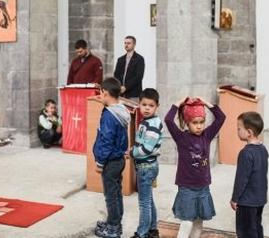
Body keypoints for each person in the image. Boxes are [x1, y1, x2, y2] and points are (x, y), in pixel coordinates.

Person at [164, 96, 226, 238]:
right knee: (187, 222)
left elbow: (221, 118)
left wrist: (206, 103)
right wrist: (177, 104)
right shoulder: (181, 138)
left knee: (199, 223)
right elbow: (168, 120)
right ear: (187, 122)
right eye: (194, 123)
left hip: (203, 188)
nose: (199, 126)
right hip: (187, 188)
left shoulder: (207, 135)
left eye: (201, 122)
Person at [92, 78, 131, 238]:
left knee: (110, 196)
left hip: (109, 161)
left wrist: (100, 162)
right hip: (119, 159)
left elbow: (106, 141)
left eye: (101, 92)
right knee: (116, 193)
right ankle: (114, 221)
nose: (99, 95)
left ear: (106, 93)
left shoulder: (109, 116)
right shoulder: (120, 109)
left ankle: (113, 228)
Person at [129, 88, 164, 238]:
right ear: (139, 104)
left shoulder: (153, 124)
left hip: (146, 167)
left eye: (151, 105)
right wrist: (134, 149)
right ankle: (152, 230)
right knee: (148, 199)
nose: (147, 108)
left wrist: (131, 152)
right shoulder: (147, 121)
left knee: (144, 203)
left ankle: (142, 233)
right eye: (144, 105)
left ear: (157, 106)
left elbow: (146, 148)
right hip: (146, 166)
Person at [231, 112, 268, 238]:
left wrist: (235, 198)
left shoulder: (245, 153)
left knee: (246, 232)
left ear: (249, 132)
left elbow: (241, 179)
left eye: (239, 128)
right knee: (256, 227)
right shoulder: (263, 150)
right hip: (260, 200)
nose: (237, 131)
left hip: (247, 202)